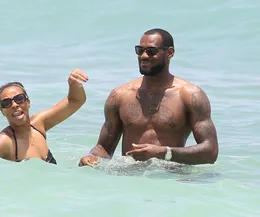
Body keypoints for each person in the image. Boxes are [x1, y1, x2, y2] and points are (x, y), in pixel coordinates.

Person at [79, 28, 218, 167]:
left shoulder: (190, 95)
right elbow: (104, 148)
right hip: (128, 179)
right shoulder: (120, 95)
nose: (144, 56)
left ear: (170, 53)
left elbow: (210, 151)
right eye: (140, 50)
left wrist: (163, 153)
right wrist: (91, 156)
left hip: (170, 180)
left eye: (152, 51)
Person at [0, 69, 88, 163]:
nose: (14, 105)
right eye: (6, 103)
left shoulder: (38, 124)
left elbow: (75, 101)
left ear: (28, 102)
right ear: (2, 111)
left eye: (19, 99)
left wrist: (73, 84)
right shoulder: (4, 141)